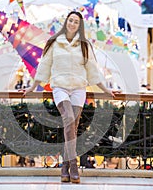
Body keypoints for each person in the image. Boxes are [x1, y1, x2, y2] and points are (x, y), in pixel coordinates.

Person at [23, 11, 118, 183]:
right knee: (68, 118)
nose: (72, 23)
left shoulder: (84, 45)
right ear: (66, 22)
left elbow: (92, 70)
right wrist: (32, 86)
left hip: (78, 89)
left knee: (72, 126)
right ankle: (73, 165)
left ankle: (65, 167)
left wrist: (105, 89)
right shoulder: (53, 43)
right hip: (60, 88)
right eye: (70, 20)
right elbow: (44, 66)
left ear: (79, 25)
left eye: (76, 22)